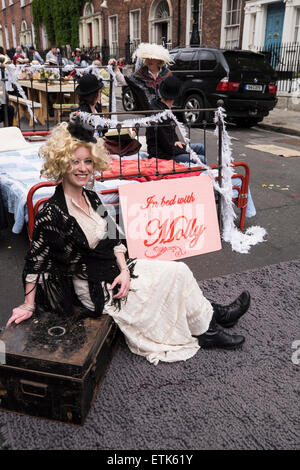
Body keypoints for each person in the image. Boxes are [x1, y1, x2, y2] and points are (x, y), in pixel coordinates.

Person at [6, 115, 251, 364]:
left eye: (88, 161)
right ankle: (208, 330)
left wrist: (124, 270)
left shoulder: (91, 198)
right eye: (75, 161)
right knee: (172, 275)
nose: (83, 168)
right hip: (97, 288)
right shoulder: (51, 212)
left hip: (118, 272)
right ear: (61, 162)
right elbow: (36, 262)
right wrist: (28, 305)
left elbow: (115, 238)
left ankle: (215, 315)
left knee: (179, 271)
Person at [146, 75, 205, 164]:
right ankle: (200, 174)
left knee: (201, 147)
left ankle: (200, 172)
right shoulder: (160, 114)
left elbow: (170, 136)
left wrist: (177, 142)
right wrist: (184, 149)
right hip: (163, 155)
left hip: (171, 146)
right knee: (201, 158)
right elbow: (167, 146)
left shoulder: (161, 106)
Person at [109, 43, 173, 109]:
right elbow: (124, 81)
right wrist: (116, 67)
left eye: (152, 58)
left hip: (165, 111)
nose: (149, 60)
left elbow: (174, 91)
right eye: (147, 58)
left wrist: (168, 105)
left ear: (159, 61)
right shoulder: (141, 73)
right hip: (149, 112)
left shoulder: (167, 73)